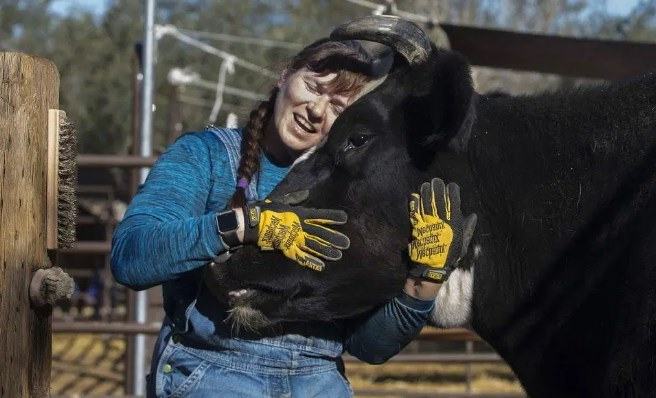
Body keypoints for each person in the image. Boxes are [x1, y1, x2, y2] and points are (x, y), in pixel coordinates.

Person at [111, 33, 474, 398]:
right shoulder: (207, 157)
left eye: (337, 107)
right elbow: (131, 257)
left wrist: (421, 285)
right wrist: (245, 225)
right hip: (213, 374)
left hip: (318, 383)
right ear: (284, 76)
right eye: (313, 87)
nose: (317, 110)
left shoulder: (353, 191)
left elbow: (367, 346)